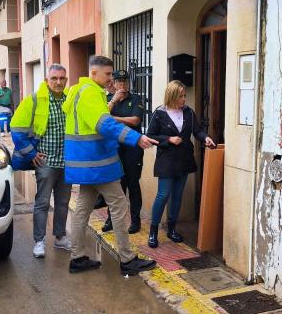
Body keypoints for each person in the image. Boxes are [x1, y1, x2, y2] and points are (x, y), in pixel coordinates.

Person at [63, 55, 158, 275]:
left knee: (82, 209)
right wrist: (136, 138)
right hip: (97, 162)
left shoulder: (79, 91)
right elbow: (104, 124)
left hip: (86, 162)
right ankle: (127, 259)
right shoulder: (89, 93)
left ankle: (77, 258)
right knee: (119, 205)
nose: (110, 79)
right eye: (107, 74)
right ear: (93, 72)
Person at [10, 65, 72, 258]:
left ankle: (60, 237)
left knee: (63, 202)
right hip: (45, 162)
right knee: (42, 202)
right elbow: (17, 129)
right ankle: (39, 241)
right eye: (54, 78)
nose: (58, 82)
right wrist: (31, 154)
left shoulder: (69, 100)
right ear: (47, 80)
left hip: (66, 162)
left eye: (62, 78)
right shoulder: (34, 100)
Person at [146, 80, 216, 248]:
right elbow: (150, 135)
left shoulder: (189, 113)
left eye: (185, 95)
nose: (184, 99)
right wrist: (169, 139)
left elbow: (197, 131)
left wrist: (205, 137)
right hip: (166, 160)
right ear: (172, 95)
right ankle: (153, 232)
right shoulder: (159, 113)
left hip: (184, 159)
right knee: (163, 195)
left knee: (177, 196)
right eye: (181, 96)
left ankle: (172, 230)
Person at [99, 70, 145, 234]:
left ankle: (135, 220)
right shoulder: (108, 101)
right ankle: (111, 219)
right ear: (114, 83)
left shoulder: (136, 99)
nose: (123, 85)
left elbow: (135, 120)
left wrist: (114, 119)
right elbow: (101, 118)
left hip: (133, 149)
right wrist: (113, 103)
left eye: (126, 82)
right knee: (115, 186)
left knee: (133, 184)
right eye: (120, 82)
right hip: (115, 149)